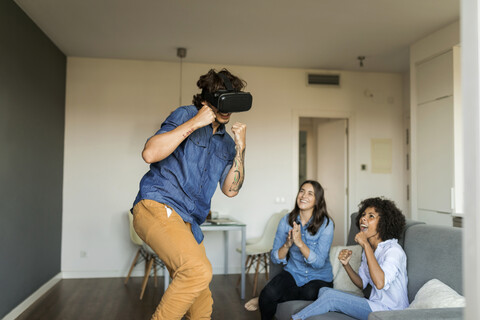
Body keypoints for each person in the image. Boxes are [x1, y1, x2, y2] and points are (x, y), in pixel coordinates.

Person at [132, 68, 247, 320]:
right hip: (157, 205)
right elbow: (150, 154)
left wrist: (240, 149)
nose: (227, 109)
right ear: (207, 100)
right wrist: (196, 122)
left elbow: (230, 190)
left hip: (188, 223)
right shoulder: (186, 114)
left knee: (202, 306)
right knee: (197, 271)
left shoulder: (227, 143)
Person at [290, 197, 408, 320]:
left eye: (371, 216)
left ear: (384, 223)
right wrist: (346, 265)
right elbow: (362, 283)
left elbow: (379, 283)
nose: (363, 218)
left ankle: (296, 318)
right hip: (374, 305)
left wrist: (366, 245)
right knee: (324, 290)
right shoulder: (370, 250)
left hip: (391, 312)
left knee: (330, 297)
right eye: (363, 215)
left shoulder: (393, 251)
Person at [249, 180, 335, 320]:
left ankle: (265, 299)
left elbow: (319, 262)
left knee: (308, 293)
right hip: (294, 272)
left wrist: (300, 243)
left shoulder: (326, 224)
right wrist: (288, 244)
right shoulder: (286, 220)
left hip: (319, 277)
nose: (303, 196)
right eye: (302, 191)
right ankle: (264, 299)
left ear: (317, 200)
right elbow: (275, 257)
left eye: (310, 193)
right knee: (268, 293)